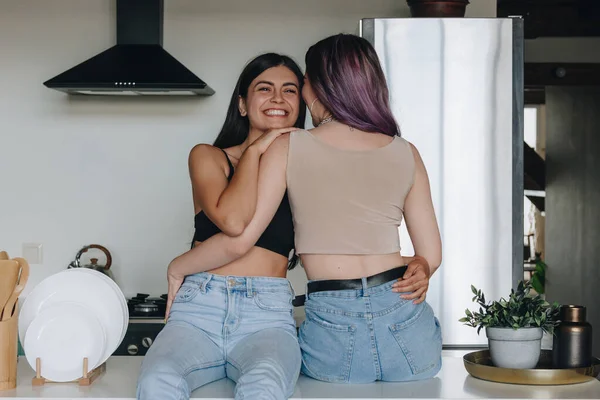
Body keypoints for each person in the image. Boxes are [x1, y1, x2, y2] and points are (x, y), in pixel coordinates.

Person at [166, 33, 443, 384]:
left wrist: (178, 267)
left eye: (303, 82)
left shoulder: (290, 146)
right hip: (406, 316)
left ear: (320, 88)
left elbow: (239, 239)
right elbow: (430, 254)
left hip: (334, 318)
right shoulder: (407, 151)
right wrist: (420, 265)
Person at [136, 53, 307, 400]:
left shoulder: (303, 166)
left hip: (267, 313)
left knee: (265, 387)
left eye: (289, 90)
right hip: (200, 305)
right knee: (157, 382)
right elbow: (233, 220)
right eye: (264, 88)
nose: (278, 98)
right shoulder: (208, 156)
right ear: (242, 105)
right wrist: (256, 150)